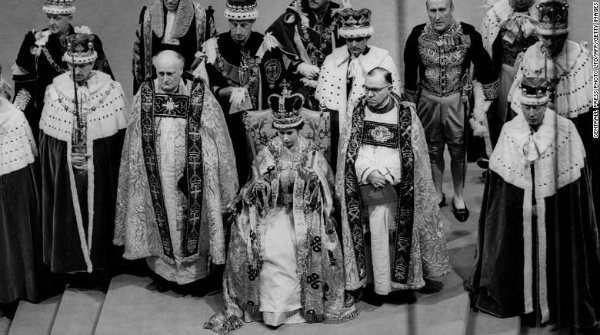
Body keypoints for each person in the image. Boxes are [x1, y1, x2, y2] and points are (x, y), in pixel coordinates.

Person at [204, 89, 357, 333]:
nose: (285, 138)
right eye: (281, 133)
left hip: (304, 212)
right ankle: (268, 308)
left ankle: (299, 306)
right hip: (272, 211)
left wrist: (311, 182)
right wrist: (263, 184)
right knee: (263, 243)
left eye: (290, 133)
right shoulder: (268, 151)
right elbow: (252, 185)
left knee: (295, 246)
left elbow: (327, 188)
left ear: (299, 130)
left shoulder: (311, 152)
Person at [467, 77, 600, 330]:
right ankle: (522, 300)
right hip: (518, 213)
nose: (531, 112)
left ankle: (557, 302)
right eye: (526, 106)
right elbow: (499, 192)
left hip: (557, 215)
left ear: (546, 104)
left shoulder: (565, 130)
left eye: (537, 107)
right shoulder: (510, 131)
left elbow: (575, 188)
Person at [115, 50, 238, 295]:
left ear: (182, 70)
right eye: (160, 73)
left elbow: (218, 137)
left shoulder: (199, 93)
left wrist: (203, 164)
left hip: (194, 177)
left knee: (191, 223)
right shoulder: (146, 93)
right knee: (166, 220)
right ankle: (166, 274)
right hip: (158, 176)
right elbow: (134, 137)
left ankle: (196, 279)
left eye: (170, 73)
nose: (165, 79)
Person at [338, 67, 449, 303]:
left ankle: (399, 287)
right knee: (373, 239)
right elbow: (350, 150)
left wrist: (387, 173)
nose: (369, 94)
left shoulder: (405, 114)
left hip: (397, 189)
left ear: (390, 88)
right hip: (365, 187)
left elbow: (413, 154)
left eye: (376, 90)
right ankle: (374, 286)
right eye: (367, 88)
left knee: (394, 236)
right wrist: (368, 172)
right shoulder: (357, 111)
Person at [39, 33, 127, 277]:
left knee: (101, 210)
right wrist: (66, 158)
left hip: (99, 170)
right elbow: (50, 145)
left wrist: (96, 156)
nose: (78, 71)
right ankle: (72, 264)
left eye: (84, 65)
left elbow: (117, 145)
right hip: (69, 172)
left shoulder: (112, 88)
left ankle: (102, 263)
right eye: (73, 65)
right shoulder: (55, 90)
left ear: (94, 62)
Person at [404, 0, 498, 222]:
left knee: (458, 150)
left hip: (457, 99)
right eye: (432, 10)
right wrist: (409, 102)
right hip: (427, 99)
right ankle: (438, 194)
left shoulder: (467, 34)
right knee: (433, 149)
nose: (437, 16)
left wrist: (487, 101)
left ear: (451, 9)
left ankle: (458, 196)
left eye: (442, 10)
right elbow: (410, 69)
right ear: (427, 11)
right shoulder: (417, 34)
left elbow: (484, 64)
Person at [508, 0, 598, 219]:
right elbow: (516, 103)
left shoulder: (580, 58)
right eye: (545, 37)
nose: (549, 43)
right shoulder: (530, 54)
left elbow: (589, 114)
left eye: (555, 38)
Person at [202, 0, 286, 185]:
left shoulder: (265, 45)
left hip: (259, 118)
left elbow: (277, 84)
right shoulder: (214, 46)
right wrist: (224, 91)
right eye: (234, 25)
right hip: (225, 120)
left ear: (251, 24)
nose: (238, 31)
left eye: (243, 25)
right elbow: (205, 85)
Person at [316, 7, 400, 173]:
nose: (353, 44)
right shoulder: (333, 59)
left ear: (367, 36)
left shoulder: (382, 59)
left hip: (370, 128)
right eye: (349, 40)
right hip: (337, 128)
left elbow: (394, 99)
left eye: (359, 39)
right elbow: (323, 104)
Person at [12, 0, 112, 140]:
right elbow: (24, 84)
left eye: (57, 18)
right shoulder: (35, 42)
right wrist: (18, 114)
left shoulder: (87, 40)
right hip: (48, 109)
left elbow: (103, 75)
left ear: (69, 18)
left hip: (83, 107)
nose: (51, 22)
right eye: (49, 17)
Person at [0, 79, 41, 318]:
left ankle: (14, 288)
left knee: (15, 234)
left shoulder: (13, 118)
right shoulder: (15, 115)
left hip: (15, 180)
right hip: (15, 178)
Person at [266, 0, 345, 109]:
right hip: (300, 89)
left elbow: (352, 55)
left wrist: (327, 76)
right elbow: (272, 44)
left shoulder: (341, 16)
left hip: (333, 88)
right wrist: (298, 66)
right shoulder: (294, 14)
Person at [481, 0, 538, 146]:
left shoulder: (542, 14)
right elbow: (486, 49)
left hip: (533, 76)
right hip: (505, 74)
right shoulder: (495, 15)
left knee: (530, 117)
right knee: (503, 116)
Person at [132, 0, 216, 93]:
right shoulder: (148, 15)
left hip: (188, 78)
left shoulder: (201, 16)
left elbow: (209, 49)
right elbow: (140, 53)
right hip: (157, 79)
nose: (170, 1)